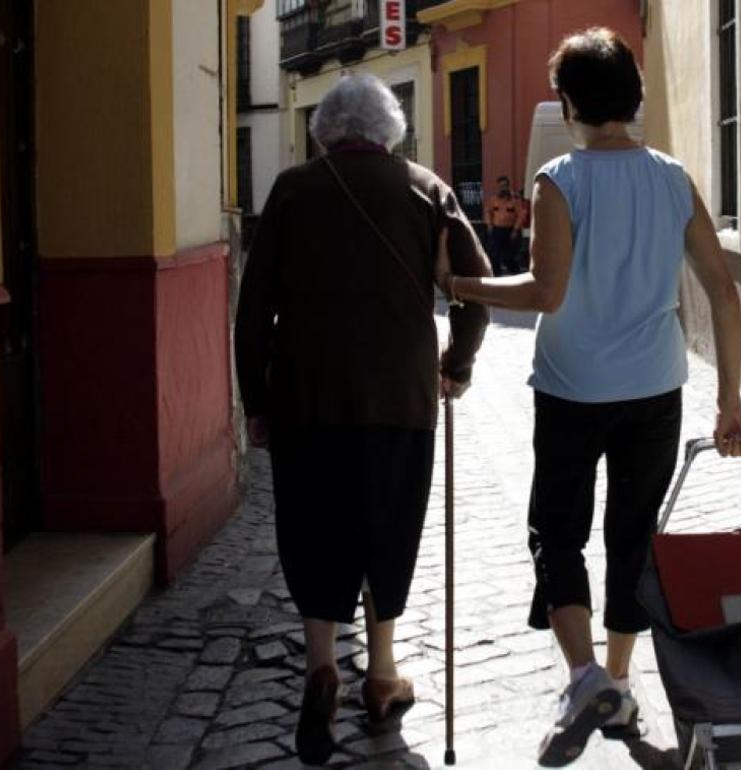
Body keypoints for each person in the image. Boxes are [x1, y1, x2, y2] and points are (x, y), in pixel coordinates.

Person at [435, 28, 741, 766]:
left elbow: (546, 289)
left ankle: (583, 679)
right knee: (633, 535)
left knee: (557, 529)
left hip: (575, 388)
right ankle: (615, 677)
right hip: (654, 386)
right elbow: (724, 293)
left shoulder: (560, 179)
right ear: (633, 99)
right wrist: (729, 399)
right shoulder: (673, 177)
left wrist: (461, 286)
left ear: (569, 102)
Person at [235, 74, 491, 765]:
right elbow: (477, 287)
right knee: (389, 522)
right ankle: (381, 673)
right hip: (398, 400)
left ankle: (322, 663)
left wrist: (256, 401)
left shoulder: (291, 191)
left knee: (314, 526)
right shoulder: (427, 188)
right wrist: (457, 364)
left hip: (306, 398)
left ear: (325, 132)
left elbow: (253, 309)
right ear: (389, 130)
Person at [487, 174, 524, 275]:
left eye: (504, 186)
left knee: (509, 257)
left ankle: (517, 275)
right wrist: (489, 225)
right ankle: (496, 276)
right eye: (500, 186)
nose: (502, 188)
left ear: (508, 186)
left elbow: (521, 215)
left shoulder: (515, 199)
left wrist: (515, 230)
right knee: (493, 256)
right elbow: (488, 212)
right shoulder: (493, 199)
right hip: (497, 230)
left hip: (510, 231)